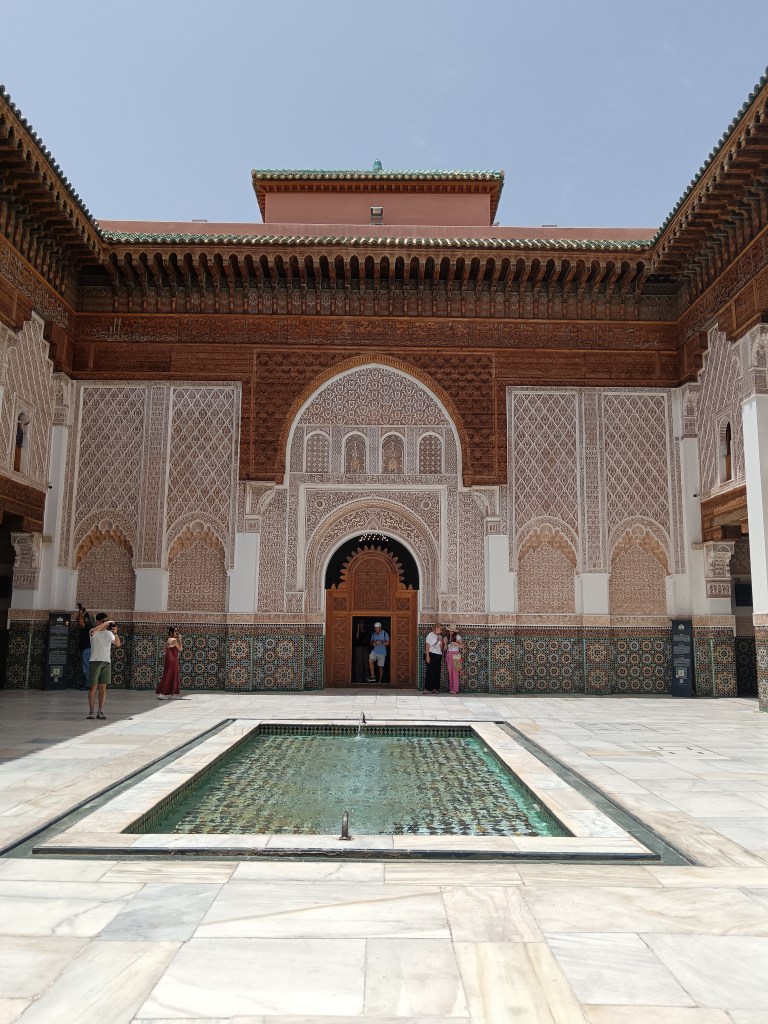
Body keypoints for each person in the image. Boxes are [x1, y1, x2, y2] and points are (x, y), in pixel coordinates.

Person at [88, 613, 121, 720]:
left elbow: (117, 645)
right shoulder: (94, 632)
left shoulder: (109, 634)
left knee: (103, 687)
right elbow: (93, 632)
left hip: (106, 662)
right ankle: (91, 711)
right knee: (93, 687)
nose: (107, 624)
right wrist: (106, 623)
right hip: (95, 661)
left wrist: (115, 633)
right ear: (98, 622)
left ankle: (100, 710)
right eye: (104, 621)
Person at [156, 626, 183, 699]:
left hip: (170, 660)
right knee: (171, 676)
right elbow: (180, 648)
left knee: (169, 675)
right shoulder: (174, 640)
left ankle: (172, 694)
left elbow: (164, 648)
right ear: (171, 632)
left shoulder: (169, 639)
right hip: (173, 661)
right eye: (175, 631)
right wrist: (180, 639)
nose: (176, 633)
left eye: (177, 631)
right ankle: (163, 694)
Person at [75, 603, 92, 690]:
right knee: (86, 667)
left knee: (86, 667)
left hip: (87, 650)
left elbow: (80, 621)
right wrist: (81, 612)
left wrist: (81, 613)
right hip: (85, 649)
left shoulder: (88, 627)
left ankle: (87, 685)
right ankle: (87, 683)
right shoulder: (86, 627)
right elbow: (78, 620)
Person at [424, 622, 445, 693]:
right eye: (440, 629)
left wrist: (441, 641)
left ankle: (434, 688)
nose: (441, 630)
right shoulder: (430, 635)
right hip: (431, 655)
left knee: (437, 672)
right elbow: (427, 646)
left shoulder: (440, 636)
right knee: (430, 672)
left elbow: (441, 648)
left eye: (442, 629)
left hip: (438, 655)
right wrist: (427, 656)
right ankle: (426, 688)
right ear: (436, 628)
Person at [446, 629, 464, 694]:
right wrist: (445, 644)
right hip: (449, 654)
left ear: (454, 631)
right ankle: (451, 689)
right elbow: (445, 648)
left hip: (455, 654)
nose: (450, 632)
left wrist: (456, 643)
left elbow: (462, 646)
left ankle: (455, 689)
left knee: (455, 671)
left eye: (452, 631)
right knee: (450, 671)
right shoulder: (447, 637)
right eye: (450, 630)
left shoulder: (458, 636)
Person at [353, 618, 369, 685]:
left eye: (362, 623)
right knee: (359, 663)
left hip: (365, 648)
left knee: (366, 663)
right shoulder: (356, 630)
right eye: (360, 623)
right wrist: (358, 629)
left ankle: (366, 678)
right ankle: (359, 678)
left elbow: (367, 639)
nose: (361, 624)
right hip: (358, 648)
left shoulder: (366, 630)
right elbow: (357, 637)